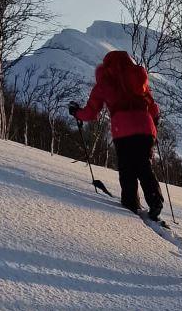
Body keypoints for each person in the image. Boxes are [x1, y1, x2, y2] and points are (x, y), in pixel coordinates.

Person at [69, 50, 164, 220]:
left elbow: (91, 112)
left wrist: (77, 113)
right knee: (144, 165)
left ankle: (130, 204)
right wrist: (155, 120)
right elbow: (152, 104)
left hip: (123, 130)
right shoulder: (137, 77)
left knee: (127, 168)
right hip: (145, 128)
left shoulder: (104, 81)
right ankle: (155, 199)